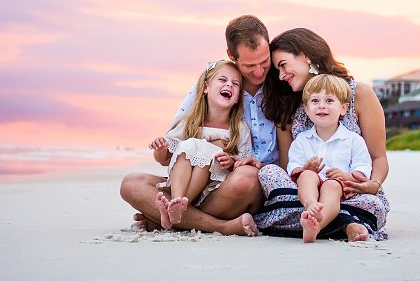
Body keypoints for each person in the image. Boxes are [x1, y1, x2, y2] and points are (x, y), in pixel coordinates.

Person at [120, 15, 274, 234]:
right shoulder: (202, 98)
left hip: (228, 186)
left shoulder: (279, 85)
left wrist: (235, 160)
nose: (259, 72)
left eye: (264, 62)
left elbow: (246, 158)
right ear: (232, 56)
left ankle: (168, 216)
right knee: (131, 183)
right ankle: (218, 225)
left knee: (247, 178)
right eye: (250, 65)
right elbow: (169, 155)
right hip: (188, 183)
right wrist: (164, 148)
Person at [253, 28, 390, 242]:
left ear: (306, 56)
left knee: (374, 205)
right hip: (305, 194)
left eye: (283, 65)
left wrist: (372, 184)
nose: (281, 76)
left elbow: (378, 157)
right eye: (277, 71)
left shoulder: (359, 94)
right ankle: (346, 224)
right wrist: (304, 173)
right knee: (270, 174)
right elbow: (288, 168)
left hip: (350, 193)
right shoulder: (287, 106)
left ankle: (315, 222)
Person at [149, 59, 254, 231]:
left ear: (237, 98)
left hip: (213, 191)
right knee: (187, 147)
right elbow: (164, 159)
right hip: (182, 184)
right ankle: (177, 202)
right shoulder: (190, 123)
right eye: (222, 80)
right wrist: (160, 149)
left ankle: (177, 210)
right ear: (205, 87)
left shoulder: (239, 129)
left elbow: (243, 161)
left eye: (235, 84)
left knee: (206, 151)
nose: (229, 85)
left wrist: (232, 161)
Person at [288, 74, 373, 243]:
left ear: (343, 108)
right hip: (310, 188)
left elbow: (363, 167)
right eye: (315, 101)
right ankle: (311, 205)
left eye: (329, 101)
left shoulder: (353, 139)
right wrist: (305, 169)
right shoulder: (302, 140)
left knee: (332, 185)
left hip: (340, 188)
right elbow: (293, 167)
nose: (321, 106)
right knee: (307, 175)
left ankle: (316, 226)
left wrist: (346, 176)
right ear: (306, 108)